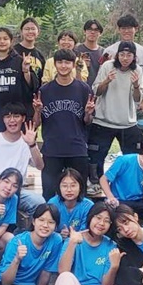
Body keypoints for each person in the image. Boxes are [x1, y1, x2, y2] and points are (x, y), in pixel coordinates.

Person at [34, 49, 96, 200]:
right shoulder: (44, 90)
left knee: (79, 193)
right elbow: (36, 124)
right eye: (60, 62)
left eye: (67, 62)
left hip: (77, 148)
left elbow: (87, 122)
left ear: (73, 65)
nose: (63, 66)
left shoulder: (83, 89)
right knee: (49, 194)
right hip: (52, 150)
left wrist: (88, 113)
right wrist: (36, 111)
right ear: (55, 64)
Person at [87, 40, 143, 193]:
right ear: (117, 55)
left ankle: (129, 185)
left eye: (129, 55)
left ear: (134, 57)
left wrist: (137, 85)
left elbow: (138, 99)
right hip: (104, 121)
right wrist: (107, 80)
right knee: (96, 157)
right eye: (122, 54)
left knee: (132, 159)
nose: (125, 58)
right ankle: (95, 183)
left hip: (127, 123)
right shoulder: (107, 66)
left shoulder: (137, 70)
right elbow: (96, 92)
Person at [0, 26, 37, 133]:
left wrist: (26, 71)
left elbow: (31, 86)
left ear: (11, 41)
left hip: (16, 113)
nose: (2, 42)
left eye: (5, 39)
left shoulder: (20, 61)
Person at [99, 136, 143, 226]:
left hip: (139, 202)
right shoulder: (125, 160)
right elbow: (104, 179)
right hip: (120, 200)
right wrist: (111, 197)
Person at [102, 14, 143, 90]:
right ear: (119, 30)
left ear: (136, 29)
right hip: (113, 92)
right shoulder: (109, 51)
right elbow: (102, 76)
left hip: (135, 95)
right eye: (123, 28)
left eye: (129, 28)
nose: (126, 31)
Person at [47, 168, 93, 236]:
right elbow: (47, 226)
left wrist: (72, 235)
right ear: (59, 188)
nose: (69, 190)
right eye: (64, 186)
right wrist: (58, 235)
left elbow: (88, 231)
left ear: (80, 187)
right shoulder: (53, 203)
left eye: (73, 186)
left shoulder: (88, 206)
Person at [14, 17, 45, 85]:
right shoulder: (13, 51)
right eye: (27, 29)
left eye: (33, 29)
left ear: (38, 32)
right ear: (21, 31)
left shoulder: (40, 55)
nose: (30, 31)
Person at [74, 19, 105, 87]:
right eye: (89, 29)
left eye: (96, 30)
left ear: (100, 33)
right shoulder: (76, 50)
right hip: (79, 87)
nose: (92, 32)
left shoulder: (104, 52)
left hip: (98, 89)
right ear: (84, 31)